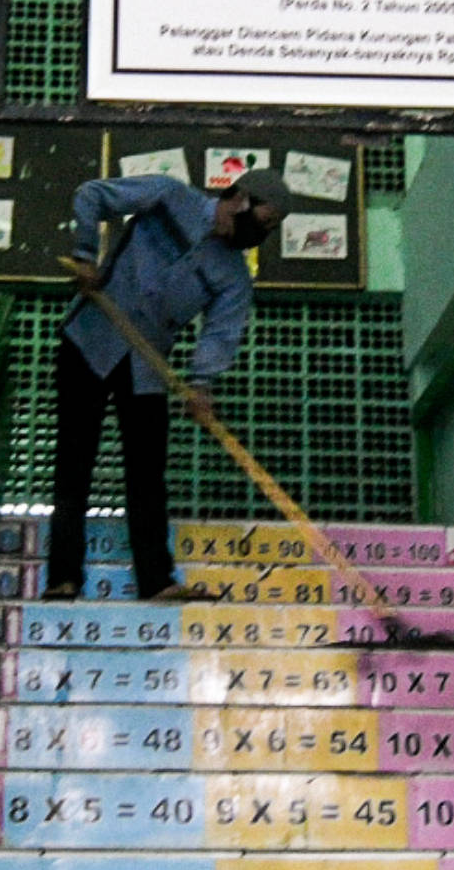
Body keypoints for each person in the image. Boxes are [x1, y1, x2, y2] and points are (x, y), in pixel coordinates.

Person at [49, 165, 288, 602]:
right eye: (264, 221)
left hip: (148, 366)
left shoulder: (233, 275)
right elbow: (91, 195)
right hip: (89, 341)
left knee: (146, 476)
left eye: (271, 228)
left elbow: (221, 331)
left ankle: (156, 581)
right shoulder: (166, 195)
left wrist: (202, 385)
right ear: (240, 199)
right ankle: (62, 579)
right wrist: (84, 254)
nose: (262, 233)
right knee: (74, 463)